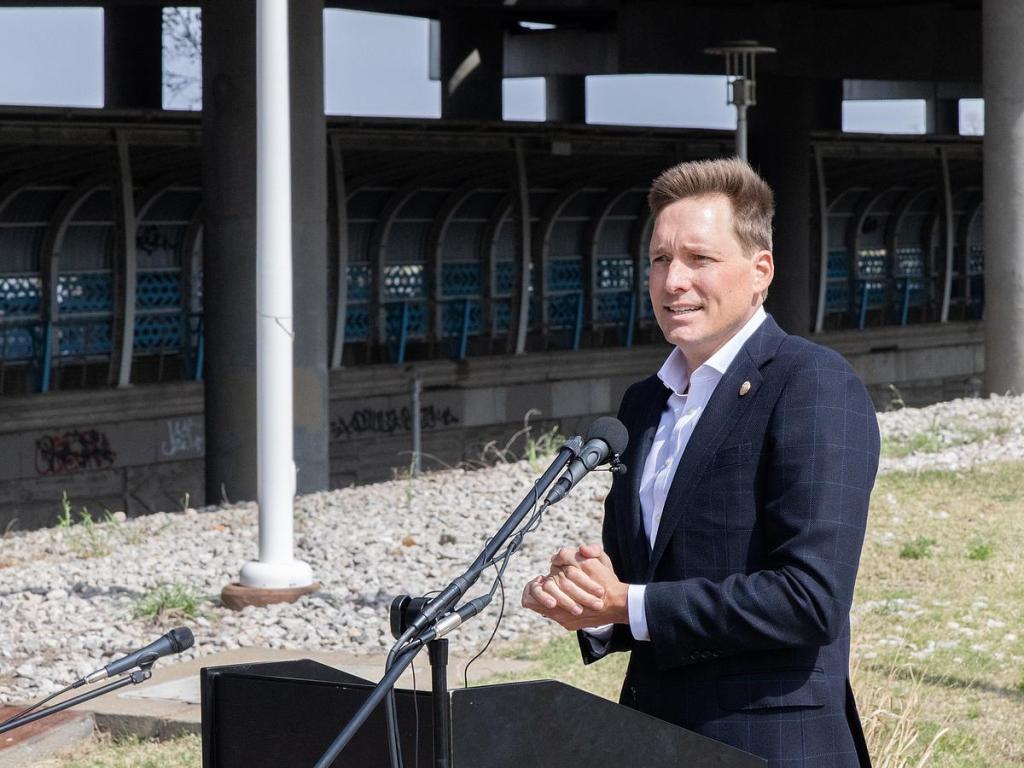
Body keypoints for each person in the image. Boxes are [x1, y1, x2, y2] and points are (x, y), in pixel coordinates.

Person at [522, 157, 879, 767]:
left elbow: (810, 599)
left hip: (768, 746)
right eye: (660, 260)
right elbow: (642, 587)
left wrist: (626, 603)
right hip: (652, 738)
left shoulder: (811, 383)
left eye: (699, 259)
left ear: (761, 270)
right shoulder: (642, 404)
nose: (673, 281)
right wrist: (589, 602)